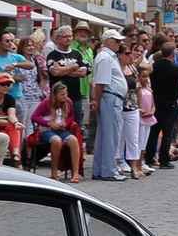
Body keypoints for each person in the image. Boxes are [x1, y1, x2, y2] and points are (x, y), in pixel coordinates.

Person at [89, 29, 128, 180]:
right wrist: (97, 100)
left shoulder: (107, 56)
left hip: (110, 97)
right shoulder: (106, 57)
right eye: (116, 41)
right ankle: (109, 170)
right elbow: (101, 83)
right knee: (111, 136)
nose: (119, 43)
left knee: (105, 135)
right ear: (108, 41)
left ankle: (100, 169)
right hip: (110, 98)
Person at [30, 81, 84, 181]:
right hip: (46, 130)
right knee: (56, 141)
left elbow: (72, 115)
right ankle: (54, 172)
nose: (64, 96)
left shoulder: (68, 102)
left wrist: (66, 123)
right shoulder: (46, 102)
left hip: (60, 129)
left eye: (66, 94)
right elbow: (34, 117)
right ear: (54, 95)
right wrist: (48, 123)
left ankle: (75, 173)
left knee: (73, 140)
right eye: (62, 94)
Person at [146, 39, 178, 169]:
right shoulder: (177, 69)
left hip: (156, 101)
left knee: (154, 130)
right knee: (167, 132)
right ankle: (164, 159)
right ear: (173, 54)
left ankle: (149, 157)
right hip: (170, 102)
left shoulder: (154, 67)